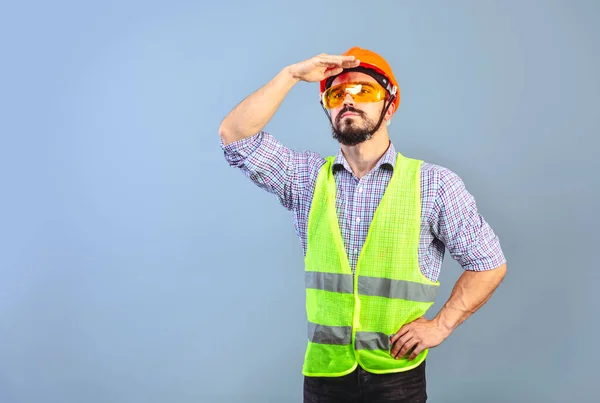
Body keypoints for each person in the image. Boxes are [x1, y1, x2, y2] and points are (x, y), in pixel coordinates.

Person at [218, 47, 507, 403]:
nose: (348, 101)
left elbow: (488, 264)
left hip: (397, 377)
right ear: (327, 108)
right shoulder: (306, 179)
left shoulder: (434, 184)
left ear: (391, 106)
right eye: (337, 94)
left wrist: (441, 325)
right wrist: (290, 75)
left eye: (364, 91)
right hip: (324, 375)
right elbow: (235, 134)